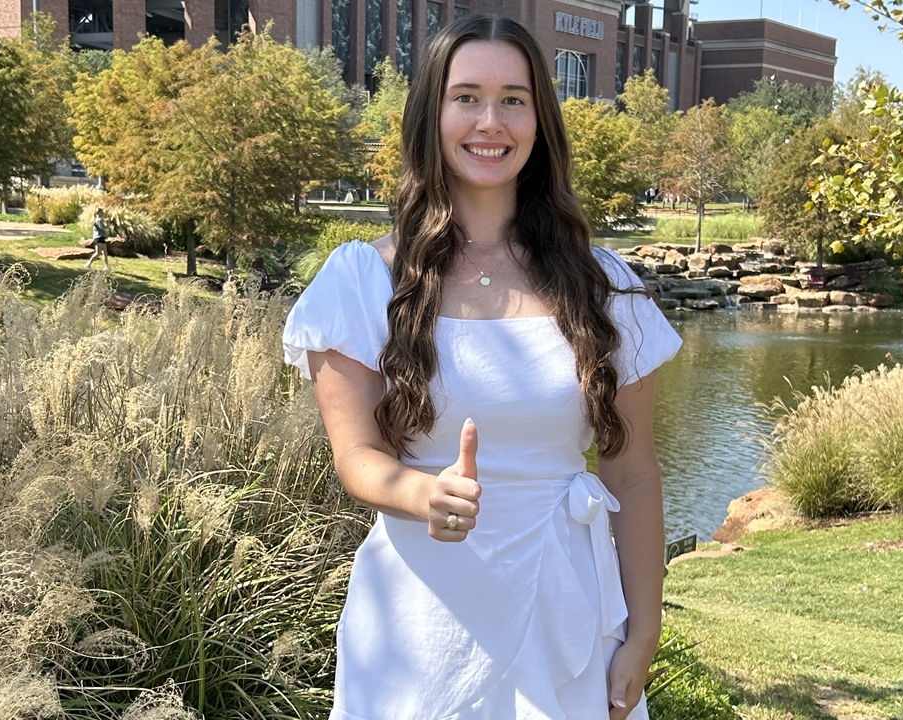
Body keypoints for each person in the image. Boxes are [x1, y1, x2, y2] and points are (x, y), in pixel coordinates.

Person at [281, 13, 682, 720]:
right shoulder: (362, 280)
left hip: (568, 612)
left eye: (513, 99)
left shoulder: (604, 287)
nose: (489, 120)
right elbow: (357, 457)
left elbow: (634, 472)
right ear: (431, 114)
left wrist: (642, 631)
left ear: (540, 120)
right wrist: (420, 495)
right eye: (466, 96)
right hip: (418, 621)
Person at [83, 207, 111, 272]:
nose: (103, 213)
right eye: (101, 212)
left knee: (105, 252)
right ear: (98, 213)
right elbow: (103, 228)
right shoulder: (98, 220)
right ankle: (88, 264)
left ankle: (107, 266)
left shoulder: (98, 220)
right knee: (98, 253)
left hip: (101, 237)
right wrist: (106, 223)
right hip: (99, 238)